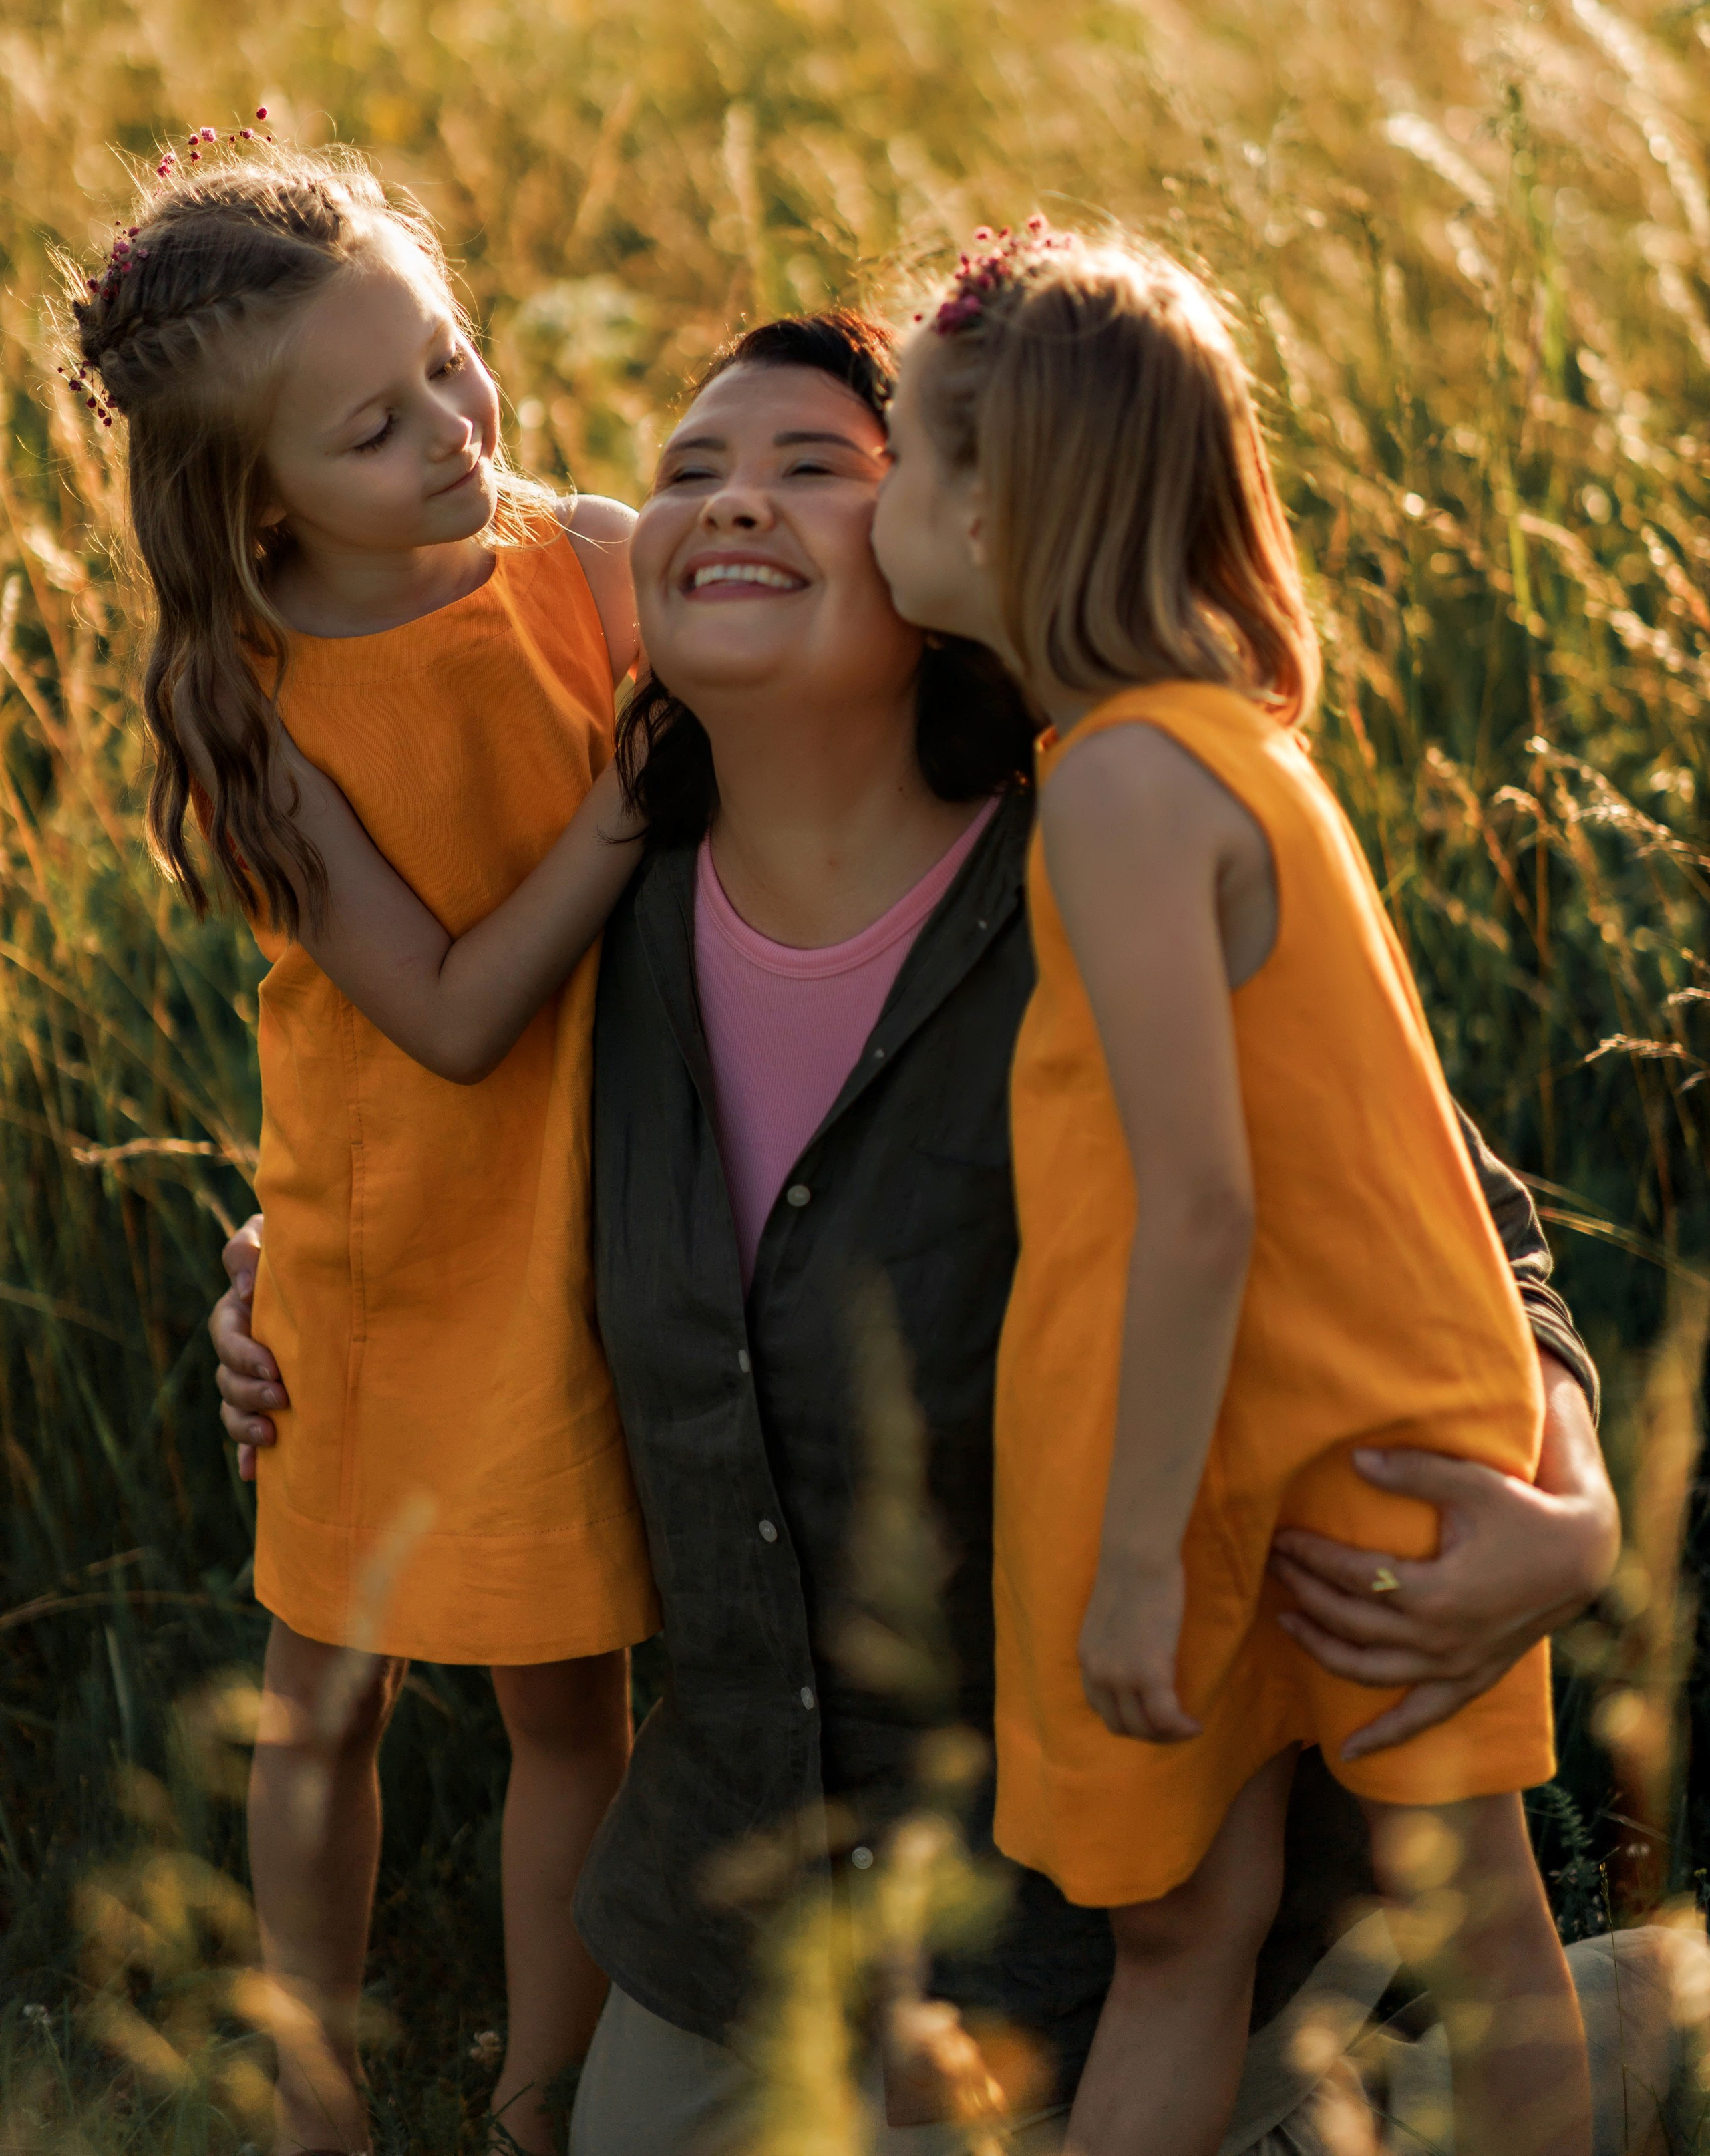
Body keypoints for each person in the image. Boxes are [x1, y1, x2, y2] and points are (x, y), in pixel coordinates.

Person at [211, 314, 1624, 2152]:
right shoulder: (590, 932)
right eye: (693, 468)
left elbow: (1447, 1222)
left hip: (1107, 1906)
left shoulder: (1100, 863)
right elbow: (436, 1165)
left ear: (949, 547)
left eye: (815, 467)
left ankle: (1562, 2037)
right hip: (749, 1897)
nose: (732, 500)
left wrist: (1569, 1501)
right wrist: (292, 1283)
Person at [870, 227, 1595, 2156]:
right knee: (1463, 1909)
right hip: (1369, 1417)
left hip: (1226, 1456)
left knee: (1203, 1929)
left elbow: (1199, 1205)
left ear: (1003, 507)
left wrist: (1131, 1562)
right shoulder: (1220, 750)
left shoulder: (1121, 785)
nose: (880, 489)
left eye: (907, 450)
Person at [84, 146, 658, 2156]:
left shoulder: (595, 573)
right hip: (374, 1241)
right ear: (257, 501)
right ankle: (310, 2094)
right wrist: (629, 800)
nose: (452, 426)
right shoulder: (253, 702)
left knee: (570, 1704)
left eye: (448, 358)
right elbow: (447, 1012)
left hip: (580, 1228)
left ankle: (534, 2105)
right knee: (326, 1690)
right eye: (374, 424)